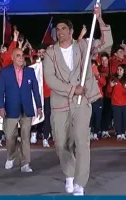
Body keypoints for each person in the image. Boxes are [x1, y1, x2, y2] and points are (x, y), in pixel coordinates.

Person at [43, 18, 101, 195]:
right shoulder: (50, 53)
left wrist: (100, 18)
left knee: (82, 142)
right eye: (58, 29)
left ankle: (80, 183)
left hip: (81, 103)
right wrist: (71, 89)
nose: (60, 32)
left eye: (63, 28)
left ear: (71, 31)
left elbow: (107, 43)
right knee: (61, 144)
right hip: (60, 104)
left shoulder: (82, 46)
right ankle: (70, 173)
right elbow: (50, 79)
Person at [0, 48, 42, 172]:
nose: (21, 58)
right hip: (11, 109)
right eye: (18, 55)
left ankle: (25, 163)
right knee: (10, 136)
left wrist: (39, 106)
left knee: (25, 138)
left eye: (22, 55)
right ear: (12, 58)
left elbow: (36, 91)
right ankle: (11, 156)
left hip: (27, 110)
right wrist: (1, 107)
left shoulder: (30, 71)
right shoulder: (5, 72)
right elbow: (0, 91)